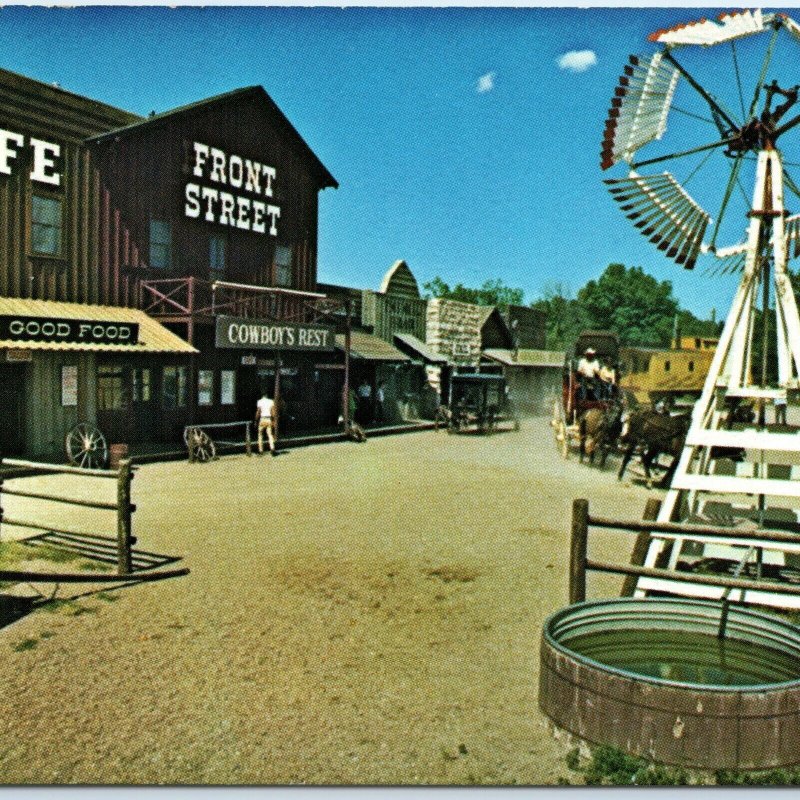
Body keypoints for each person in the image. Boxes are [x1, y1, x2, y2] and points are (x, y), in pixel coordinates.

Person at [255, 391, 276, 456]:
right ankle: (272, 448)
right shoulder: (271, 401)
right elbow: (273, 412)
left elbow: (258, 411)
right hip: (268, 419)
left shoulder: (259, 401)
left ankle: (261, 450)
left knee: (260, 434)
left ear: (262, 396)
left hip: (262, 419)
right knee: (270, 434)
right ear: (267, 395)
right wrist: (274, 420)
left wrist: (256, 420)